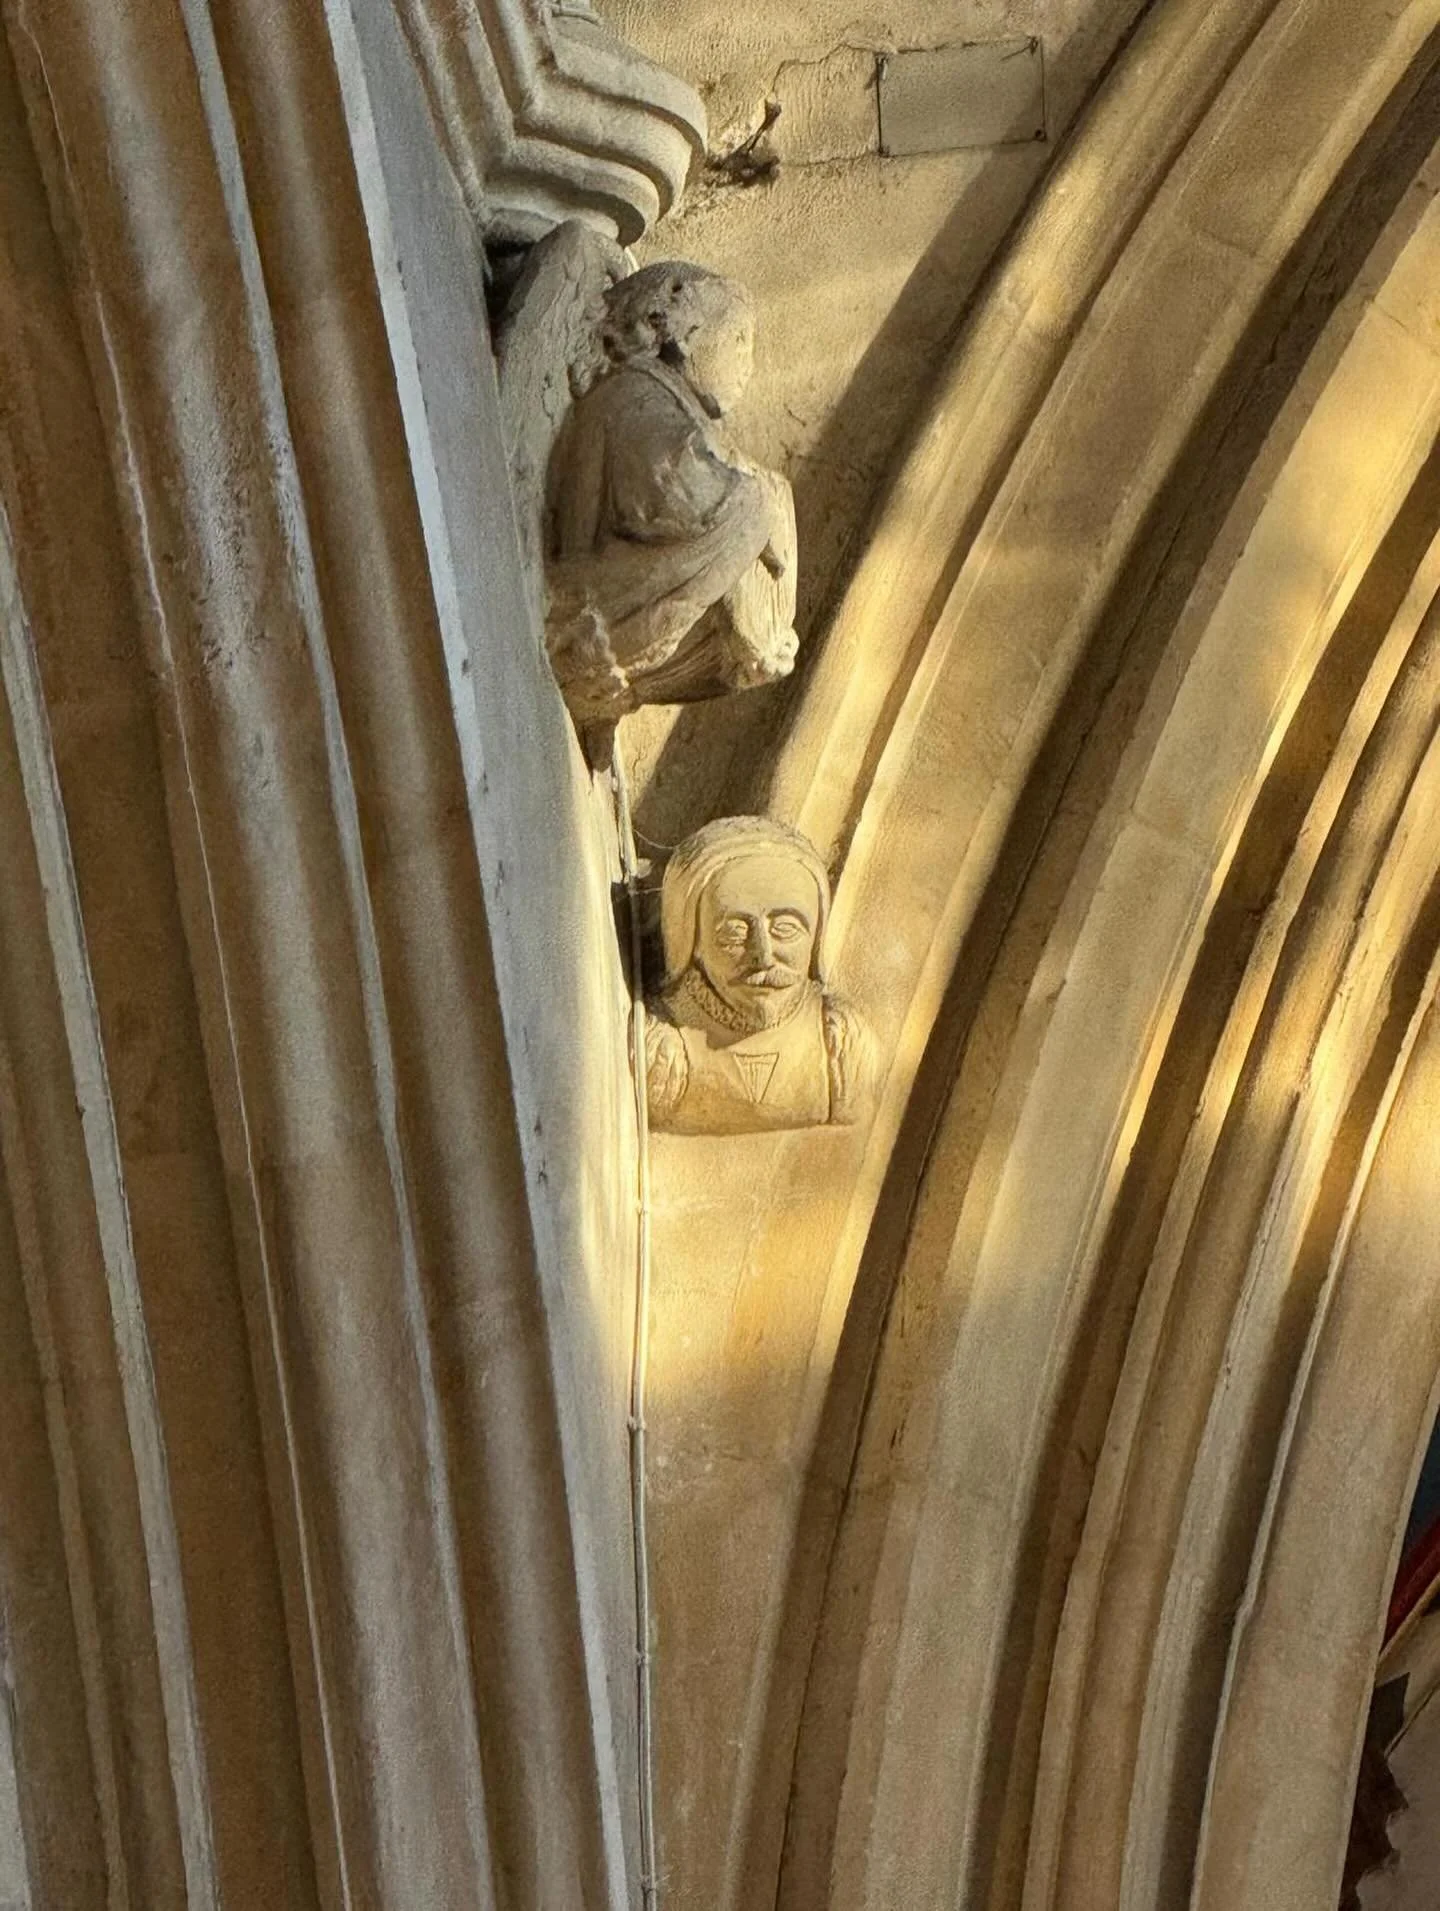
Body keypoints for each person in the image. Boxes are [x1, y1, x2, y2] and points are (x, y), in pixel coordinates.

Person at [545, 263, 799, 720]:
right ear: (684, 333)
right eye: (739, 339)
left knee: (759, 499)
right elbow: (675, 496)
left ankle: (754, 643)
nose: (749, 365)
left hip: (611, 631)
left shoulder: (671, 408)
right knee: (753, 503)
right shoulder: (636, 394)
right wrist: (760, 510)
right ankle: (754, 639)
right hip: (586, 610)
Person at [645, 817, 864, 1134]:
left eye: (786, 929)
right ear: (691, 942)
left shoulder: (841, 1046)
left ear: (816, 937)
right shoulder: (662, 1045)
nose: (763, 955)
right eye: (734, 933)